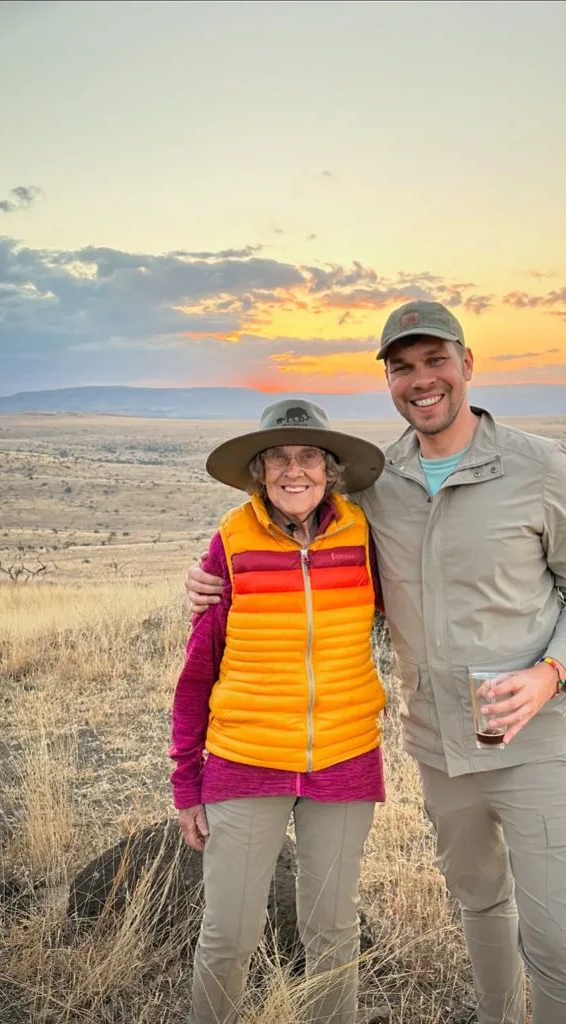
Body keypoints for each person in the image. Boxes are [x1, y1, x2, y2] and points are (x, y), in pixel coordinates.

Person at [187, 301, 566, 1024]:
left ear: (467, 364)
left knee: (560, 945)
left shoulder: (539, 466)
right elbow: (297, 530)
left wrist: (550, 674)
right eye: (402, 367)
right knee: (480, 901)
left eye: (435, 361)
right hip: (440, 745)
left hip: (537, 742)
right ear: (389, 379)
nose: (421, 380)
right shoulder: (379, 485)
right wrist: (209, 578)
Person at [170, 399, 387, 1024]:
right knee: (229, 935)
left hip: (345, 759)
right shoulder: (230, 545)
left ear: (331, 468)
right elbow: (196, 673)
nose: (296, 470)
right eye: (280, 458)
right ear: (260, 471)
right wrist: (187, 782)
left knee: (333, 935)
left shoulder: (364, 536)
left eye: (309, 456)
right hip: (245, 762)